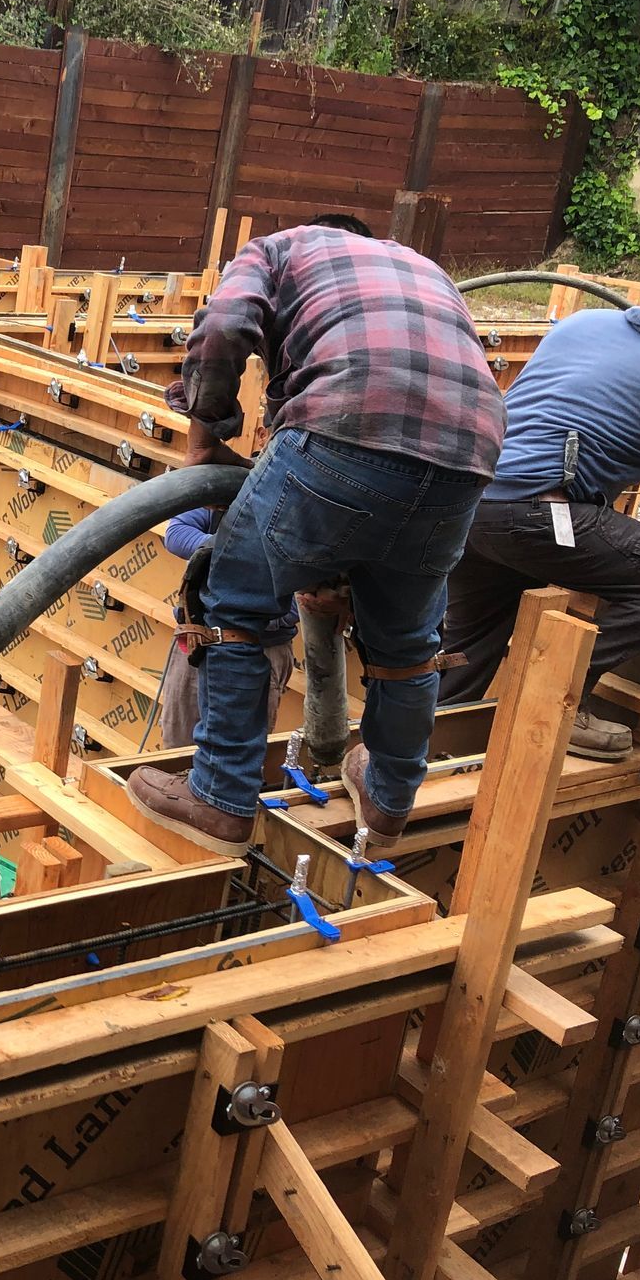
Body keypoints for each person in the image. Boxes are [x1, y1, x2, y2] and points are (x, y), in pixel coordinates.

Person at [126, 215, 503, 856]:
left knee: (238, 599)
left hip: (346, 419)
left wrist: (209, 427)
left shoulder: (278, 249)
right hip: (470, 452)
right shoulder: (423, 268)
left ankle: (219, 797)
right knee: (409, 645)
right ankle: (388, 800)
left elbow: (221, 328)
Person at [439, 296, 640, 758]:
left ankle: (414, 743)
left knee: (466, 646)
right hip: (539, 515)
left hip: (471, 500)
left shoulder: (585, 323)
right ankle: (558, 697)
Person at [158, 506, 296, 747]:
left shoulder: (300, 506)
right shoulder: (232, 487)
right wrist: (237, 550)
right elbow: (176, 534)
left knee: (241, 751)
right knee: (179, 747)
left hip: (260, 651)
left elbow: (294, 610)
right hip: (199, 643)